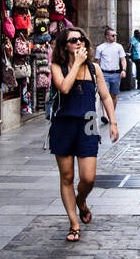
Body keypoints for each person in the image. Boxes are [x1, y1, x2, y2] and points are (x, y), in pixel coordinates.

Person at [50, 27, 119, 242]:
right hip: (63, 124)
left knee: (88, 178)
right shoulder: (57, 66)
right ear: (64, 45)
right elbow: (64, 87)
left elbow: (106, 97)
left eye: (81, 39)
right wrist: (76, 64)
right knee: (68, 176)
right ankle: (74, 223)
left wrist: (113, 122)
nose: (78, 43)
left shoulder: (94, 68)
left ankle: (81, 200)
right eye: (73, 40)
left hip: (88, 123)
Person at [94, 27, 127, 105]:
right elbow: (97, 62)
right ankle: (105, 116)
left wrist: (124, 70)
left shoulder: (119, 47)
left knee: (114, 95)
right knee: (105, 95)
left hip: (116, 74)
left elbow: (123, 59)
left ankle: (111, 113)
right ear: (107, 36)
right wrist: (96, 74)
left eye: (115, 35)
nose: (114, 37)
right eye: (113, 35)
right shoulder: (100, 48)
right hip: (104, 74)